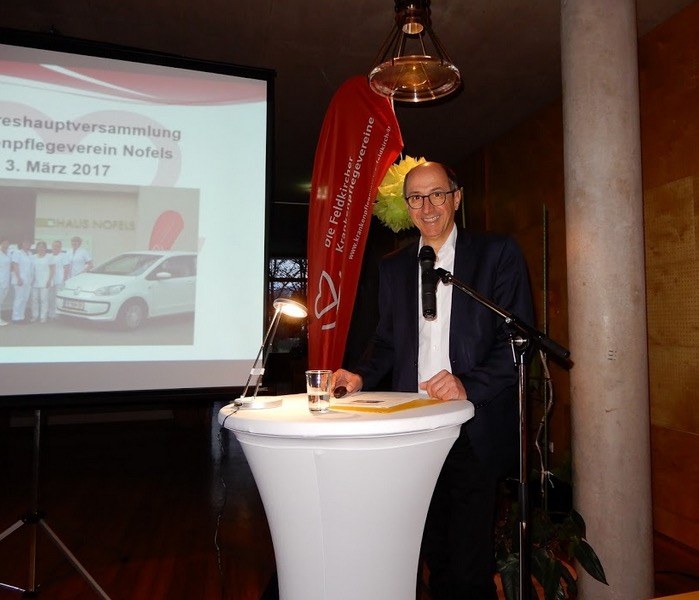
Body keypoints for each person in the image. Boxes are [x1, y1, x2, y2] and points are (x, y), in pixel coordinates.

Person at [332, 161, 534, 599]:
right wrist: (360, 374)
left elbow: (516, 341)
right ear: (406, 207)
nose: (427, 207)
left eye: (437, 194)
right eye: (416, 198)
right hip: (413, 427)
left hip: (471, 425)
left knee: (467, 564)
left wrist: (467, 385)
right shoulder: (394, 267)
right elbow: (387, 341)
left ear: (456, 197)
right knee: (428, 550)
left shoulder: (496, 254)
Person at [11, 239, 34, 324]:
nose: (28, 244)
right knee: (19, 298)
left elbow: (31, 267)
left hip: (28, 280)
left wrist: (32, 278)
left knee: (25, 298)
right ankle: (16, 318)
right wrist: (19, 278)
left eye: (29, 243)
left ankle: (21, 317)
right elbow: (15, 265)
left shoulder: (30, 254)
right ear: (22, 244)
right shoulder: (17, 253)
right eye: (26, 242)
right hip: (20, 279)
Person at [30, 241, 54, 323]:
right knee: (34, 299)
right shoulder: (33, 257)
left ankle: (43, 317)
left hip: (45, 281)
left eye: (42, 247)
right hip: (35, 282)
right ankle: (35, 316)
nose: (41, 248)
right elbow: (32, 269)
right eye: (39, 247)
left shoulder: (49, 257)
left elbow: (52, 269)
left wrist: (49, 280)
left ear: (45, 248)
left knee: (44, 299)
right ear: (36, 248)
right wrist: (32, 279)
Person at [48, 240, 67, 320]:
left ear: (60, 247)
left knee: (58, 298)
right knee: (50, 297)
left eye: (58, 246)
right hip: (50, 280)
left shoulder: (63, 256)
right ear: (52, 246)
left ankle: (57, 314)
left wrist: (64, 279)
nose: (56, 247)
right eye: (54, 246)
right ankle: (50, 314)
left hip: (59, 280)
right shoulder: (49, 256)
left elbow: (66, 268)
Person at [0, 236, 11, 326]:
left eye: (7, 243)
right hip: (0, 280)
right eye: (4, 243)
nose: (6, 245)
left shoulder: (8, 254)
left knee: (1, 300)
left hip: (6, 280)